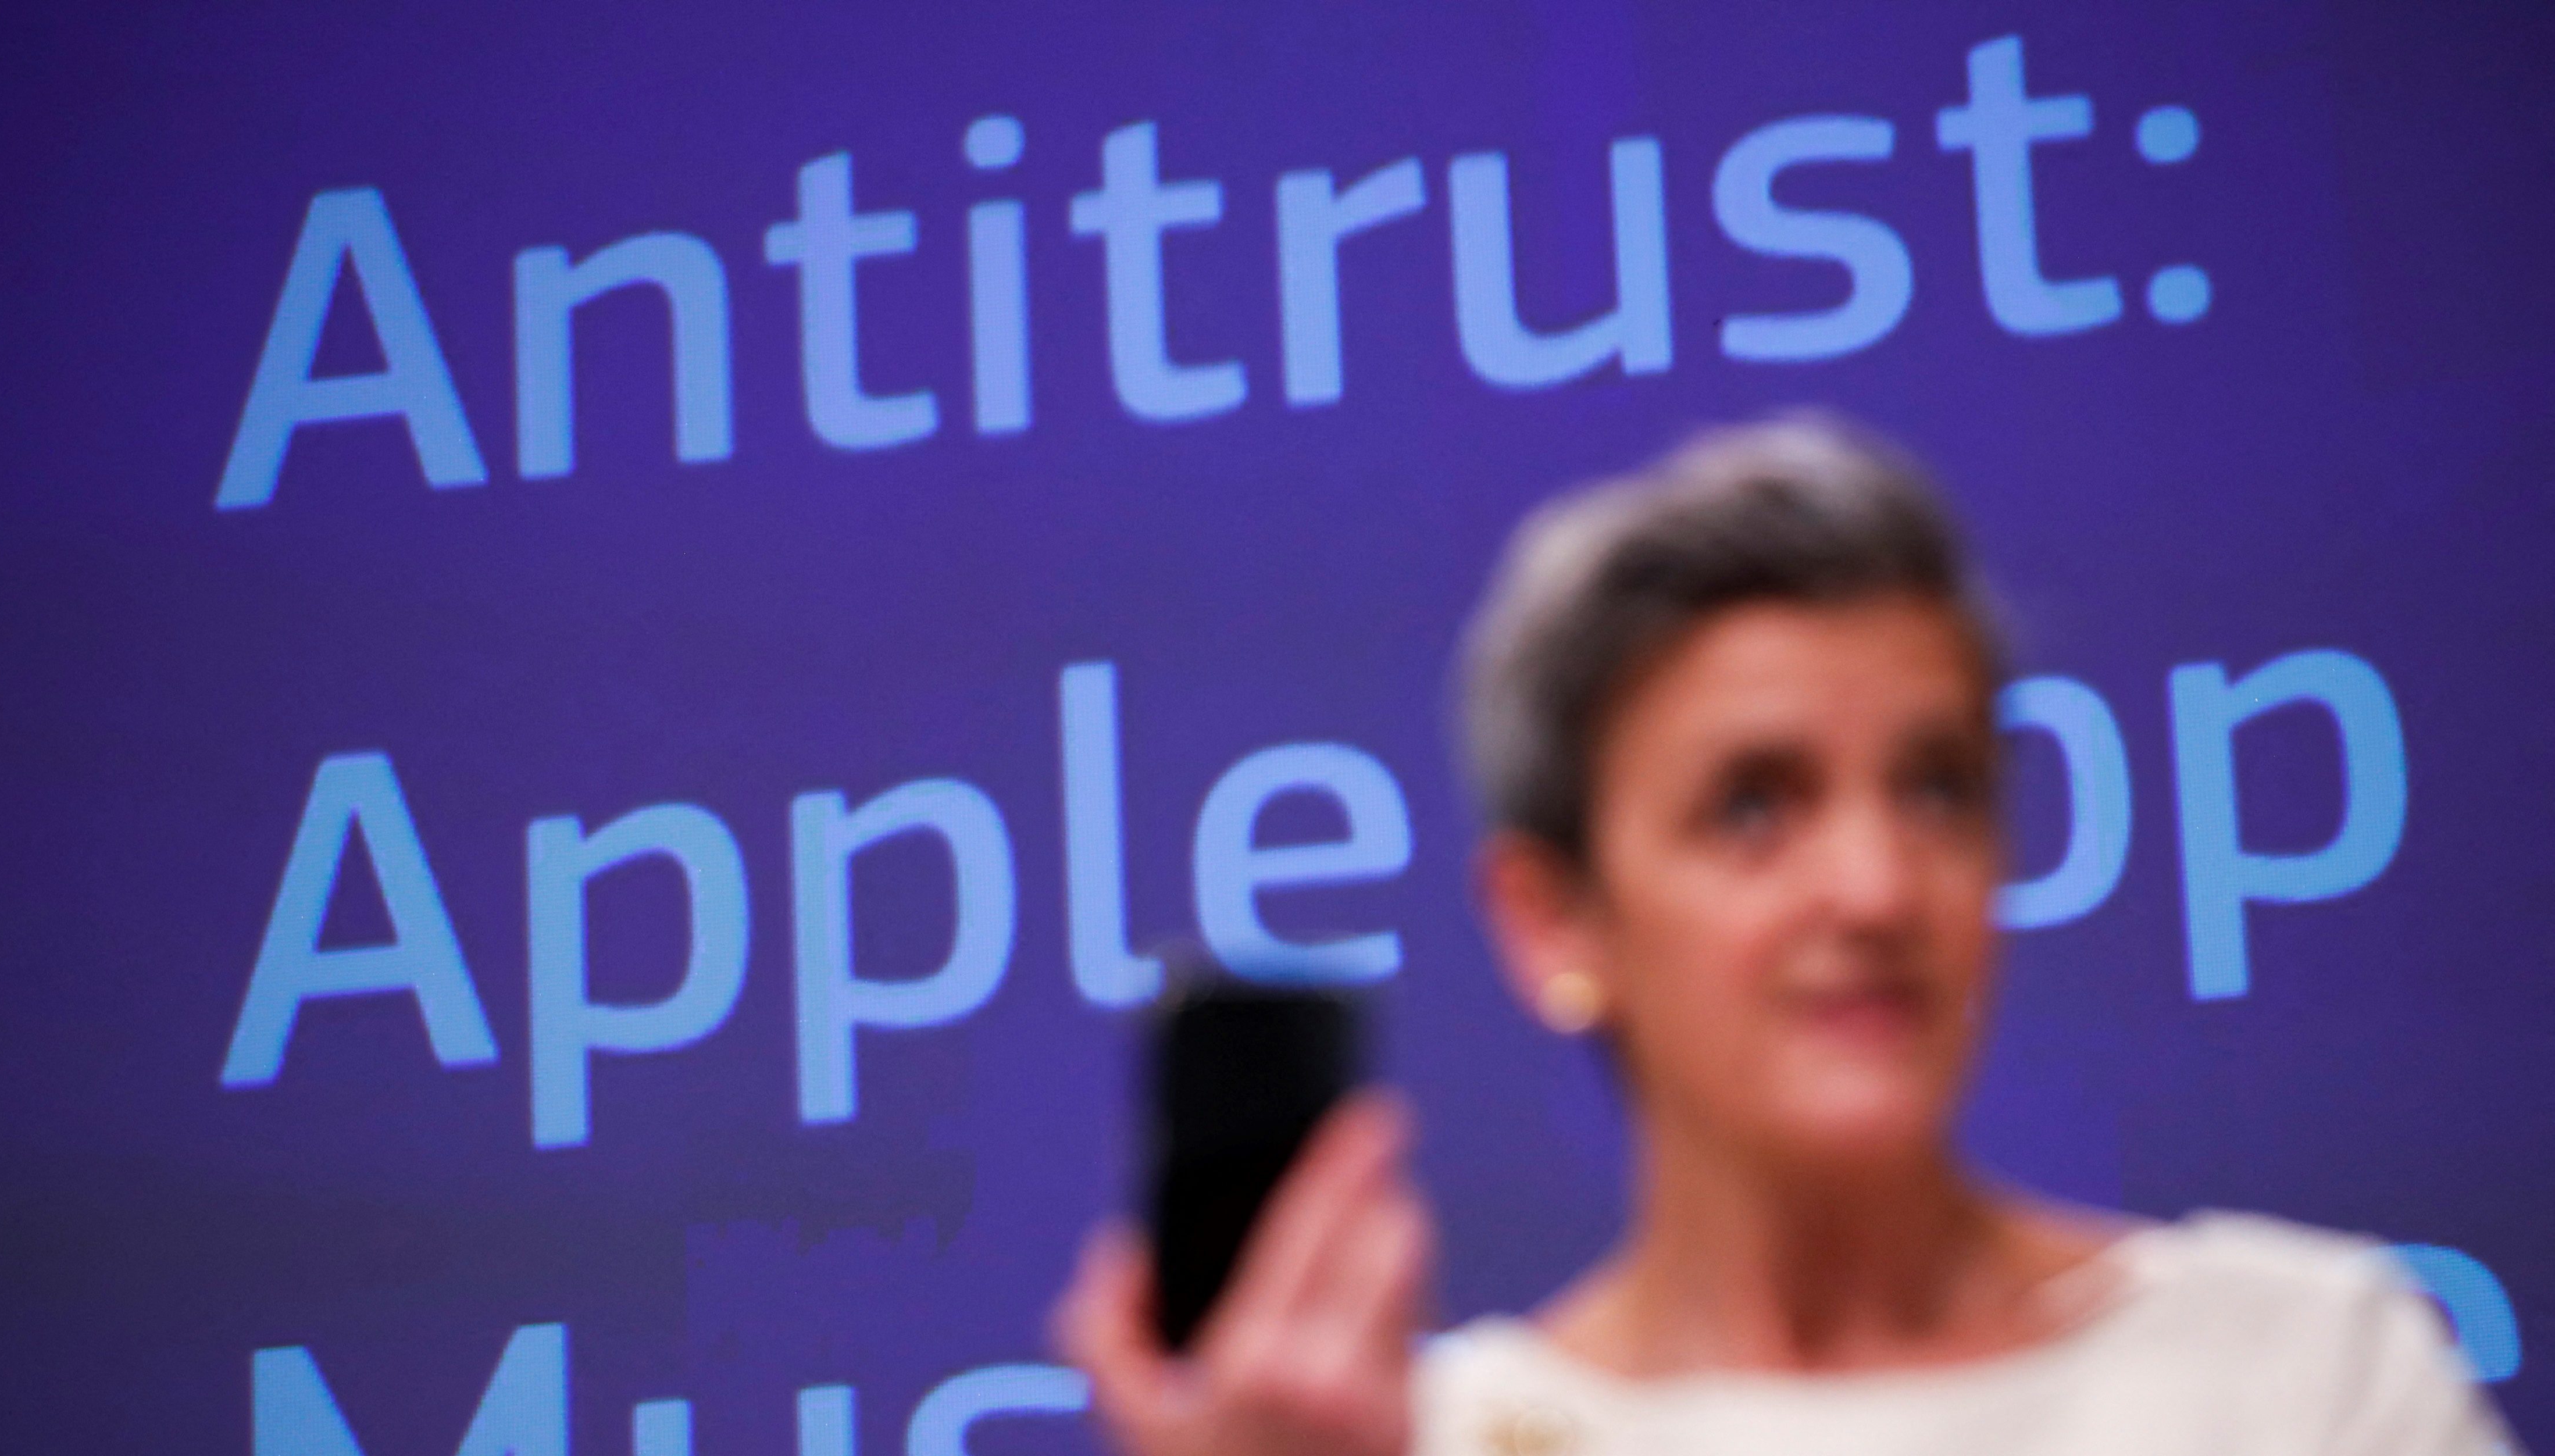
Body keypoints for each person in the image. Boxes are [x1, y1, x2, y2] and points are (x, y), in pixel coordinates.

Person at [1054, 413, 2514, 1456]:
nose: (1879, 888)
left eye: (1939, 788)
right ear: (1551, 918)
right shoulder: (1417, 1446)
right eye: (1755, 809)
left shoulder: (2303, 1365)